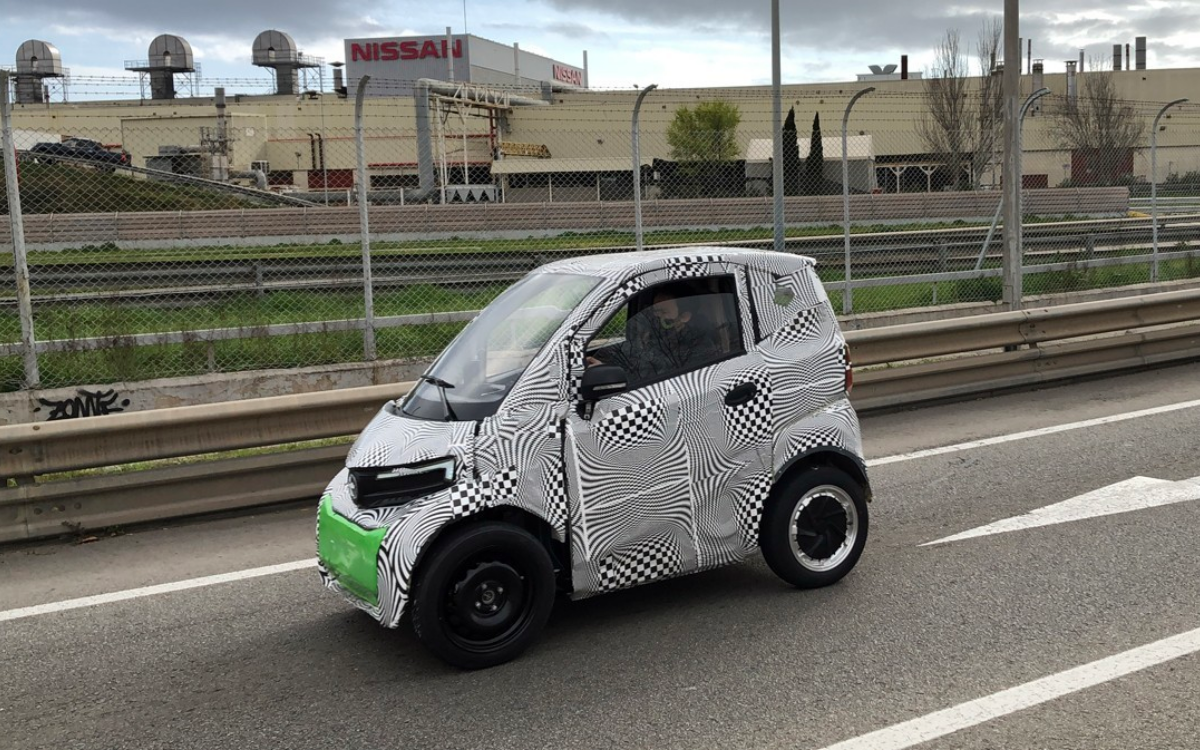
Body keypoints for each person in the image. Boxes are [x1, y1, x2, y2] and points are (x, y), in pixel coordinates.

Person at [587, 286, 719, 383]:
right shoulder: (652, 338)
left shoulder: (699, 346)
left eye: (663, 312)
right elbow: (627, 356)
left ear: (684, 316)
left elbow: (660, 383)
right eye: (655, 311)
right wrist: (604, 367)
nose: (656, 316)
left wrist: (614, 378)